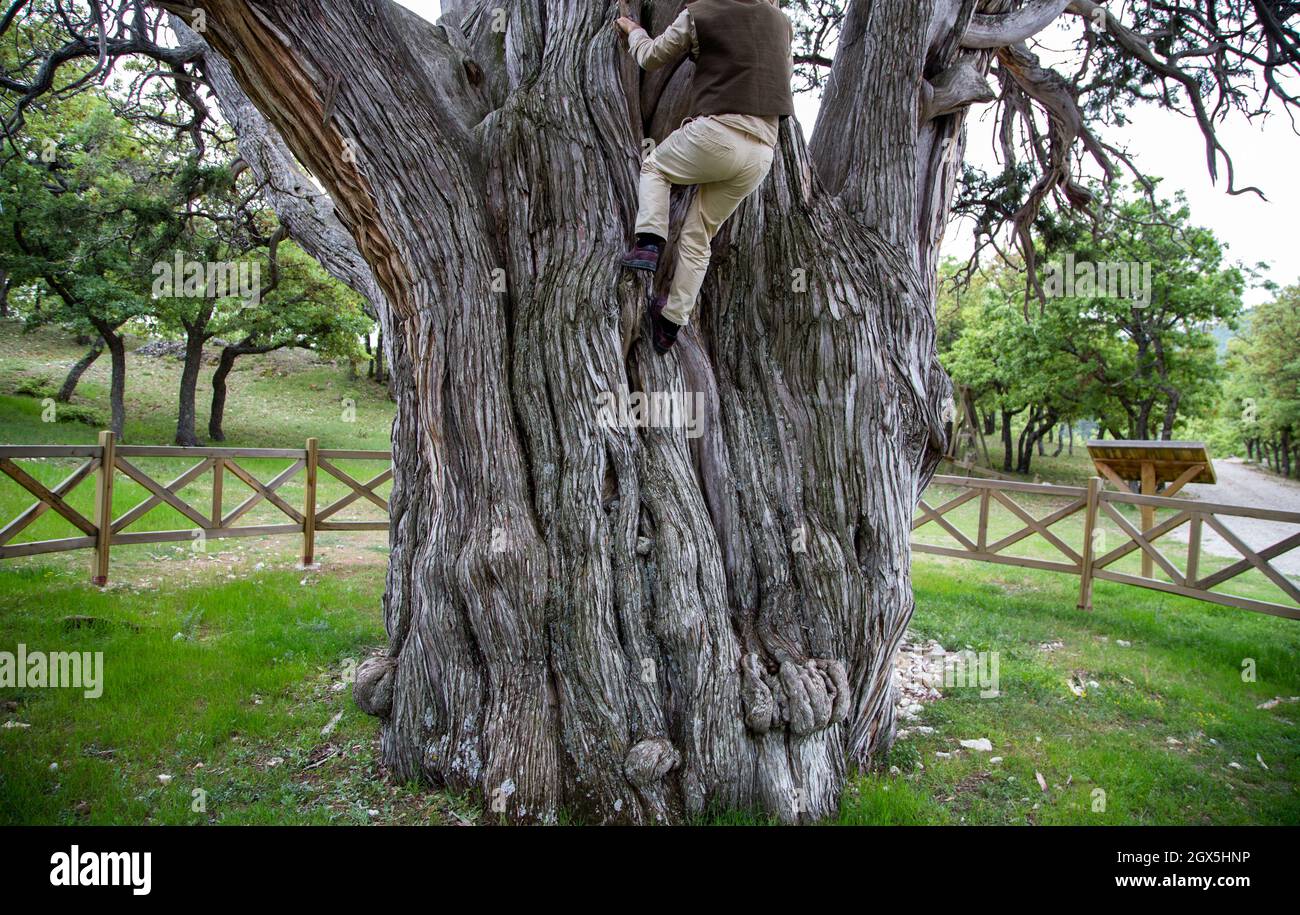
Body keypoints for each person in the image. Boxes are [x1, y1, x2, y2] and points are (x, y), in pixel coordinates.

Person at [615, 0, 795, 353]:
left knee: (655, 167)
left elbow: (651, 57)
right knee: (700, 235)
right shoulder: (780, 22)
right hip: (761, 153)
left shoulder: (700, 12)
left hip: (717, 134)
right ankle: (670, 324)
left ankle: (648, 244)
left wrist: (634, 31)